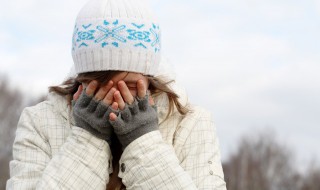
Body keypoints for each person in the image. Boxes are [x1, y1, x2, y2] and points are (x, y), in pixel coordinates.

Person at [7, 0, 226, 189]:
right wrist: (87, 139)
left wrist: (143, 141)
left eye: (129, 86)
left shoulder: (191, 122)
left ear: (149, 77)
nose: (113, 99)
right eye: (97, 86)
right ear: (81, 79)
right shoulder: (39, 122)